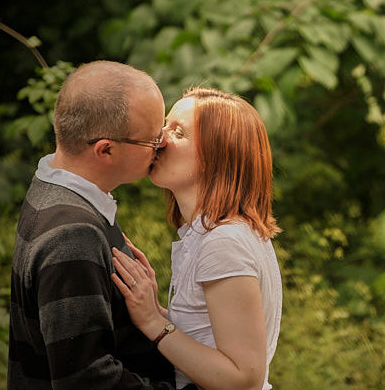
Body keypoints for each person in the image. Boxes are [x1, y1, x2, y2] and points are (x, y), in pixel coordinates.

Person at [8, 61, 175, 388]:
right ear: (106, 150)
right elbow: (86, 379)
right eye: (153, 139)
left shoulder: (53, 188)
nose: (163, 144)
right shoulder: (72, 234)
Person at [111, 87, 283, 390]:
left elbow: (244, 379)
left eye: (177, 132)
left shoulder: (225, 241)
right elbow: (206, 336)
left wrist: (154, 323)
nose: (159, 138)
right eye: (165, 126)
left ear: (216, 155)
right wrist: (155, 309)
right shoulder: (211, 234)